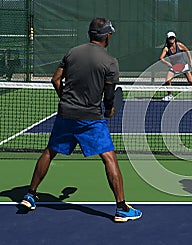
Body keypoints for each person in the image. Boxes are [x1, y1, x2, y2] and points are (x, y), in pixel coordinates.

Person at [19, 17, 142, 222]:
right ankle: (121, 208)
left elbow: (55, 79)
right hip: (91, 119)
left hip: (66, 113)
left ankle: (30, 195)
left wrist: (66, 99)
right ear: (107, 36)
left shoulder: (72, 52)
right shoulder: (110, 62)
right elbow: (109, 96)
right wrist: (109, 110)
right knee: (109, 158)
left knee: (50, 151)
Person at [159, 31, 192, 101]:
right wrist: (168, 63)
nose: (172, 39)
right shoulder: (166, 49)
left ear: (175, 38)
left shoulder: (179, 45)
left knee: (191, 81)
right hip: (174, 67)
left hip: (183, 65)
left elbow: (187, 50)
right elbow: (161, 58)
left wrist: (191, 62)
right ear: (167, 39)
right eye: (170, 38)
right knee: (167, 80)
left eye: (173, 38)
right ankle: (170, 95)